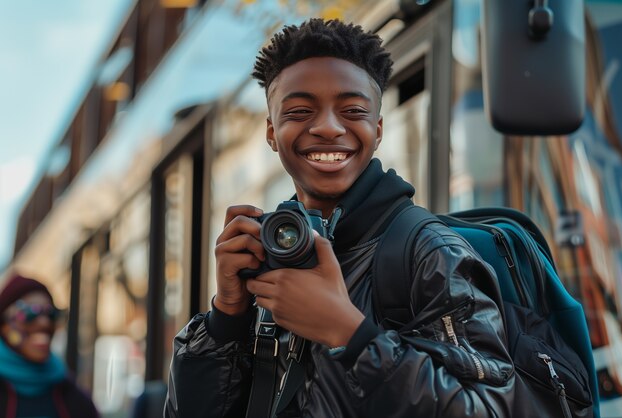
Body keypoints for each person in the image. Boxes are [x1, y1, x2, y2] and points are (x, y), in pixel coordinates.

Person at [165, 18, 515, 417]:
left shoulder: (428, 252)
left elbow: (488, 409)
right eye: (299, 110)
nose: (328, 127)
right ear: (271, 131)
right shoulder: (272, 252)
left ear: (377, 129)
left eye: (351, 110)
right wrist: (226, 317)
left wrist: (349, 334)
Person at [0, 273, 100, 418]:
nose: (44, 323)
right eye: (29, 313)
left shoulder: (74, 397)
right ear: (4, 325)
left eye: (51, 314)